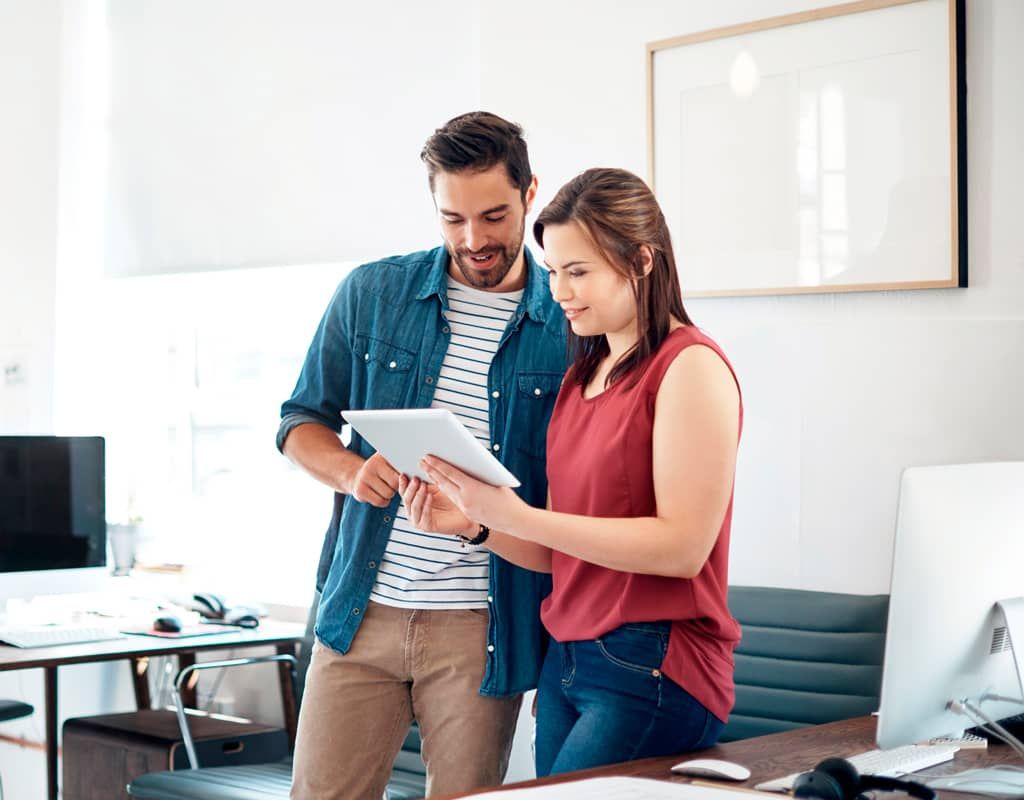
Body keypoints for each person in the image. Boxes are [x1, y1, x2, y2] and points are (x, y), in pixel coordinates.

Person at [400, 167, 743, 776]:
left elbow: (683, 548)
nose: (559, 290)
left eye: (578, 271)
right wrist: (476, 525)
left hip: (653, 661)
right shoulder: (579, 378)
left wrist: (520, 515)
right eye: (554, 271)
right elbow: (562, 552)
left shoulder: (689, 367)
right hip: (568, 661)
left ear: (640, 260)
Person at [277, 112, 566, 799]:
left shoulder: (568, 322)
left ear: (531, 194)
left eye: (494, 215)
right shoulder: (374, 294)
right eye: (453, 219)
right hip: (360, 614)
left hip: (480, 625)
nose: (474, 240)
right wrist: (353, 472)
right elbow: (298, 423)